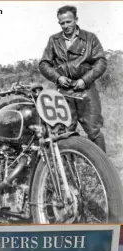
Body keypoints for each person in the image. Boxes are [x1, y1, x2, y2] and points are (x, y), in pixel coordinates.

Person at [39, 5, 107, 152]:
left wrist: (85, 80)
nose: (65, 26)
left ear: (75, 20)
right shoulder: (54, 40)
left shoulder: (90, 38)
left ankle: (102, 168)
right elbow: (44, 64)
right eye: (62, 23)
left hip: (86, 91)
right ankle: (68, 170)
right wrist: (58, 78)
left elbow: (101, 62)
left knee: (94, 131)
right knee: (63, 132)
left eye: (68, 22)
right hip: (63, 93)